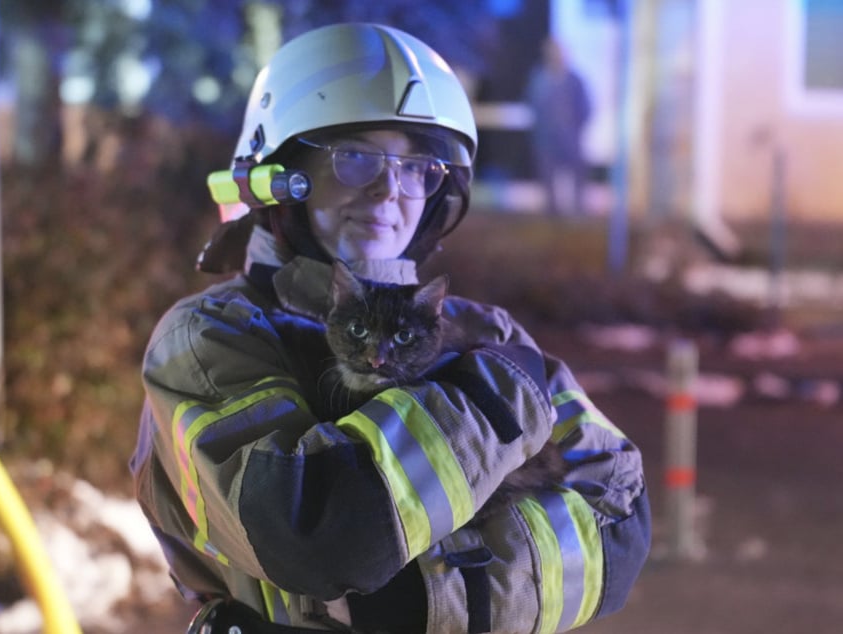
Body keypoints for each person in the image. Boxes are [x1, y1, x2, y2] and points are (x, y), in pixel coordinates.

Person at [131, 23, 649, 634]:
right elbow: (316, 537)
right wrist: (487, 406)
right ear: (280, 176)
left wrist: (405, 597)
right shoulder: (206, 340)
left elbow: (618, 527)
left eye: (418, 166)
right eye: (353, 158)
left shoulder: (486, 329)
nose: (389, 191)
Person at [526, 38, 592, 217]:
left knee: (576, 177)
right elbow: (534, 106)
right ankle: (552, 214)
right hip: (546, 140)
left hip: (570, 138)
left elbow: (586, 107)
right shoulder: (539, 78)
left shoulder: (575, 80)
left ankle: (578, 213)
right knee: (548, 179)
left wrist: (575, 127)